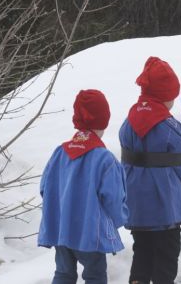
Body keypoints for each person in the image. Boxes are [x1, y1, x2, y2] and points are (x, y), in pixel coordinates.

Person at [120, 57, 181, 284]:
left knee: (142, 249)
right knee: (167, 251)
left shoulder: (128, 121)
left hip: (136, 202)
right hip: (165, 203)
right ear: (166, 96)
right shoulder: (168, 126)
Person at [38, 90, 128, 284]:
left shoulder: (59, 153)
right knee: (94, 275)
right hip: (90, 234)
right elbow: (113, 198)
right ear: (103, 120)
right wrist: (122, 218)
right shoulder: (104, 159)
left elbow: (44, 188)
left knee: (63, 273)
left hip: (60, 230)